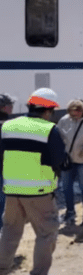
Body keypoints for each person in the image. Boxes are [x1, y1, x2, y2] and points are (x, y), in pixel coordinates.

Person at [0, 88, 65, 275]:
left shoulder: (7, 126)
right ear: (49, 111)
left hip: (12, 190)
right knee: (46, 234)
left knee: (10, 232)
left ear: (29, 106)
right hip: (40, 193)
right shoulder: (49, 129)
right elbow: (59, 160)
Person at [0, 94, 16, 231]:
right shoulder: (8, 125)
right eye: (11, 105)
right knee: (3, 203)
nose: (12, 107)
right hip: (4, 169)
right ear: (3, 107)